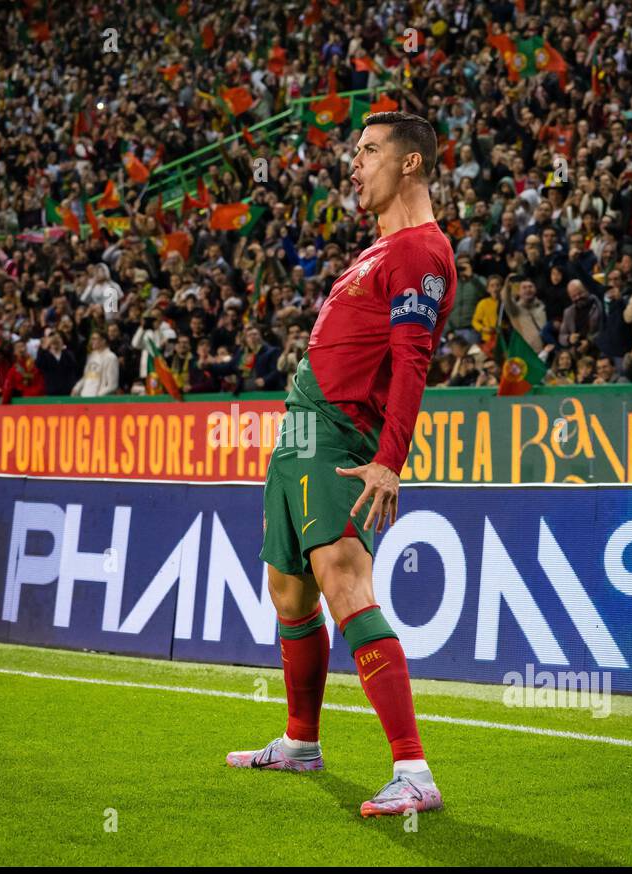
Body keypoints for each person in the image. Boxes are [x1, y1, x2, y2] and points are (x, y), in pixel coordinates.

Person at [228, 113, 455, 819]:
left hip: (335, 435)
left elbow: (413, 360)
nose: (353, 165)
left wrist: (390, 460)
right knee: (289, 592)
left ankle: (413, 768)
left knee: (343, 579)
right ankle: (301, 741)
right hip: (298, 435)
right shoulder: (378, 249)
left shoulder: (419, 251)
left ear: (411, 163)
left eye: (368, 151)